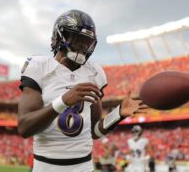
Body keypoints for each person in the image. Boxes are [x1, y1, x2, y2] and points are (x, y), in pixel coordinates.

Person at [18, 9, 147, 172]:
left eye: (86, 41)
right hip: (46, 167)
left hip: (83, 167)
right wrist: (63, 102)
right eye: (77, 39)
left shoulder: (94, 73)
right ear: (60, 36)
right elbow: (24, 128)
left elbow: (95, 131)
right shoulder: (40, 67)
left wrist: (118, 114)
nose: (82, 45)